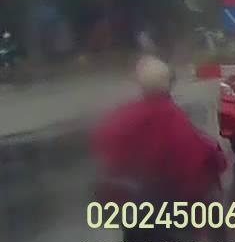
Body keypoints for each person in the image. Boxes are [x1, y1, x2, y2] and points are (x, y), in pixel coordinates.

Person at [92, 55, 227, 203]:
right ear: (168, 83)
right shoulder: (171, 115)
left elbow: (103, 143)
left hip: (132, 198)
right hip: (165, 199)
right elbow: (193, 157)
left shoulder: (125, 114)